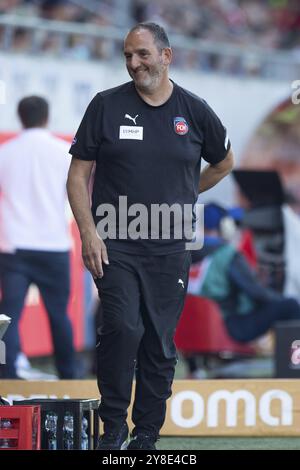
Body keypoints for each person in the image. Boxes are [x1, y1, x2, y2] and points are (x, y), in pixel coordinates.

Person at [67, 22, 233, 450]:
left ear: (166, 55)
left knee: (159, 342)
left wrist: (184, 193)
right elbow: (78, 175)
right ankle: (113, 428)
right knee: (122, 327)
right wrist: (88, 232)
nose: (133, 63)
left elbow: (224, 162)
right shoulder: (105, 105)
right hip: (115, 242)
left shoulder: (194, 111)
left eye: (141, 54)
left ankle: (145, 436)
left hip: (170, 247)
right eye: (127, 55)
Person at [0, 95, 77, 379]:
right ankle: (70, 377)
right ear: (47, 117)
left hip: (13, 246)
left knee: (8, 318)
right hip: (54, 245)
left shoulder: (5, 153)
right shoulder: (63, 151)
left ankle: (6, 376)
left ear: (20, 118)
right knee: (59, 316)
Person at [188, 203, 300, 344]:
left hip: (193, 330)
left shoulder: (184, 255)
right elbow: (256, 293)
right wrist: (280, 298)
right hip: (234, 327)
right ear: (226, 227)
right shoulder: (228, 255)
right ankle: (294, 362)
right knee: (291, 305)